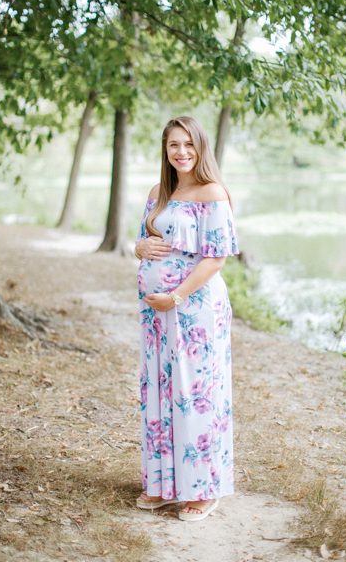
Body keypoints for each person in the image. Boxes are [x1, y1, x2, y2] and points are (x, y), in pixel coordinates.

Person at [132, 116, 239, 522]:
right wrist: (140, 249)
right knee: (161, 391)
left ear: (200, 147)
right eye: (173, 144)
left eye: (188, 144)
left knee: (195, 394)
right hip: (156, 315)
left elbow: (216, 257)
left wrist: (175, 297)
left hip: (194, 310)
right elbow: (143, 240)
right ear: (165, 149)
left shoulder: (213, 193)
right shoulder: (159, 192)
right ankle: (164, 485)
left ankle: (203, 489)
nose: (181, 152)